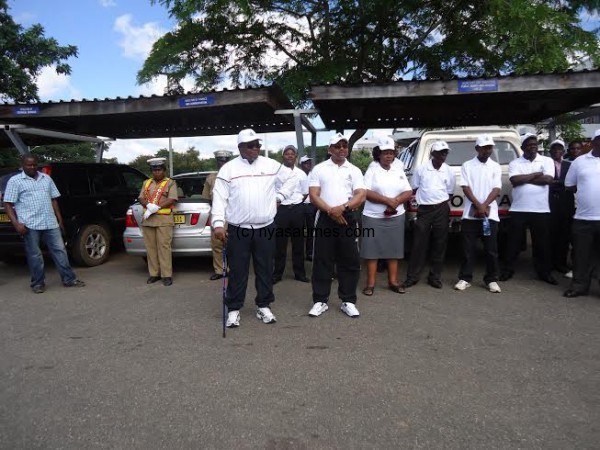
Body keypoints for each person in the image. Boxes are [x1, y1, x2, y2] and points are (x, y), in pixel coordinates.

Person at [212, 128, 297, 328]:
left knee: (265, 268)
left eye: (258, 145)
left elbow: (292, 178)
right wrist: (217, 223)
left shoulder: (270, 164)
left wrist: (280, 197)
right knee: (238, 270)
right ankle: (233, 309)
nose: (255, 148)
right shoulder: (229, 169)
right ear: (240, 147)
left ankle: (264, 305)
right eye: (251, 145)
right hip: (238, 228)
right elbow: (219, 197)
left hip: (265, 227)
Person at [3, 154, 85, 293]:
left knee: (60, 251)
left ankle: (69, 279)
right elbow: (8, 204)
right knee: (35, 255)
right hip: (30, 224)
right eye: (29, 165)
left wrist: (59, 220)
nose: (32, 167)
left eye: (34, 164)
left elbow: (54, 200)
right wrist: (17, 224)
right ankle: (38, 283)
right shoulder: (15, 181)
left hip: (50, 222)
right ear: (22, 165)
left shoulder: (46, 178)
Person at [307, 133, 366, 318]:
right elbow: (314, 195)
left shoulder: (354, 170)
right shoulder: (319, 169)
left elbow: (360, 194)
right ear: (329, 149)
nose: (342, 149)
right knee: (322, 259)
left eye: (344, 146)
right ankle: (320, 300)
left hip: (346, 215)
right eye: (337, 146)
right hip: (325, 216)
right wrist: (331, 211)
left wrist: (343, 207)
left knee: (349, 259)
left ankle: (348, 300)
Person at [500, 134, 556, 284]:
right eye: (529, 145)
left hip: (541, 209)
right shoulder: (515, 163)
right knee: (513, 242)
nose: (533, 147)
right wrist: (536, 174)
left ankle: (544, 272)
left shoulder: (547, 160)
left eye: (535, 144)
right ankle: (507, 270)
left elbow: (548, 180)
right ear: (523, 147)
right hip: (519, 209)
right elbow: (515, 180)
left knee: (542, 244)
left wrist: (526, 178)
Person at [360, 136, 413, 295]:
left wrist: (396, 201)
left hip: (396, 215)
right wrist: (387, 201)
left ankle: (393, 281)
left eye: (391, 153)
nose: (389, 156)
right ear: (378, 154)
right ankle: (370, 284)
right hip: (373, 216)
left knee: (394, 250)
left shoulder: (398, 169)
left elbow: (408, 191)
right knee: (372, 251)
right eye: (385, 153)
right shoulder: (372, 169)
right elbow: (365, 192)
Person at [402, 140, 456, 290]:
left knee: (440, 243)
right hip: (424, 210)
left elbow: (450, 192)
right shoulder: (421, 169)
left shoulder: (449, 171)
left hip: (441, 209)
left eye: (445, 152)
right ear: (433, 153)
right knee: (419, 244)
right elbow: (414, 188)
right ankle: (412, 277)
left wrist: (439, 204)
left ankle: (435, 277)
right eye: (440, 152)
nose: (443, 155)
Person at [454, 134, 502, 293]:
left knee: (490, 248)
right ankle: (465, 278)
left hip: (488, 217)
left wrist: (484, 206)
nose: (487, 150)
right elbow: (465, 187)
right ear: (477, 148)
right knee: (468, 248)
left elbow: (496, 189)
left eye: (490, 147)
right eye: (484, 147)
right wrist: (478, 206)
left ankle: (491, 279)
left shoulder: (495, 166)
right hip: (470, 216)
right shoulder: (467, 165)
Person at [563, 129, 600, 298]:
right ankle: (579, 286)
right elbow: (569, 185)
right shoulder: (580, 161)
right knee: (581, 255)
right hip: (583, 217)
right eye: (599, 140)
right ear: (592, 142)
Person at [138, 157, 178, 286]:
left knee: (164, 248)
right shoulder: (146, 183)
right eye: (154, 170)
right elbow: (141, 198)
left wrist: (158, 207)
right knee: (150, 248)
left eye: (159, 170)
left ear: (164, 170)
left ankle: (166, 275)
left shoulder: (170, 183)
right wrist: (149, 205)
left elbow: (172, 199)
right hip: (148, 220)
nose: (157, 172)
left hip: (163, 220)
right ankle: (154, 274)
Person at [272, 145, 309, 284]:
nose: (289, 156)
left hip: (297, 210)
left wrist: (297, 202)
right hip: (281, 210)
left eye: (292, 154)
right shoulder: (276, 172)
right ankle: (277, 274)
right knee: (280, 244)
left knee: (298, 243)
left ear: (295, 157)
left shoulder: (301, 174)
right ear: (283, 156)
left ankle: (299, 274)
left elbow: (305, 193)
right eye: (287, 154)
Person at [202, 150, 233, 280]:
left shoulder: (236, 175)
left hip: (234, 214)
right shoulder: (211, 178)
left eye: (225, 161)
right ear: (217, 162)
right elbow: (207, 198)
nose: (222, 163)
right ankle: (220, 270)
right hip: (217, 213)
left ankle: (234, 268)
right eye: (220, 161)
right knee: (217, 244)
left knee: (235, 243)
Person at [547, 139, 574, 274]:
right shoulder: (546, 164)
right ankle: (550, 262)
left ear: (563, 151)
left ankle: (561, 263)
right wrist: (559, 183)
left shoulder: (570, 165)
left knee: (564, 234)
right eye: (554, 149)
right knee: (551, 234)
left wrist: (556, 182)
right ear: (550, 151)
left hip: (565, 203)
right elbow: (546, 181)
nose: (557, 152)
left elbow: (571, 183)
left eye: (560, 149)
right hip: (550, 203)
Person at [299, 155, 316, 261]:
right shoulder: (298, 175)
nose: (308, 165)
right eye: (306, 163)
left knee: (311, 230)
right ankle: (299, 253)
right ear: (301, 165)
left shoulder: (313, 175)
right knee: (298, 231)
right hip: (299, 205)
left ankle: (309, 253)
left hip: (310, 205)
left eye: (309, 163)